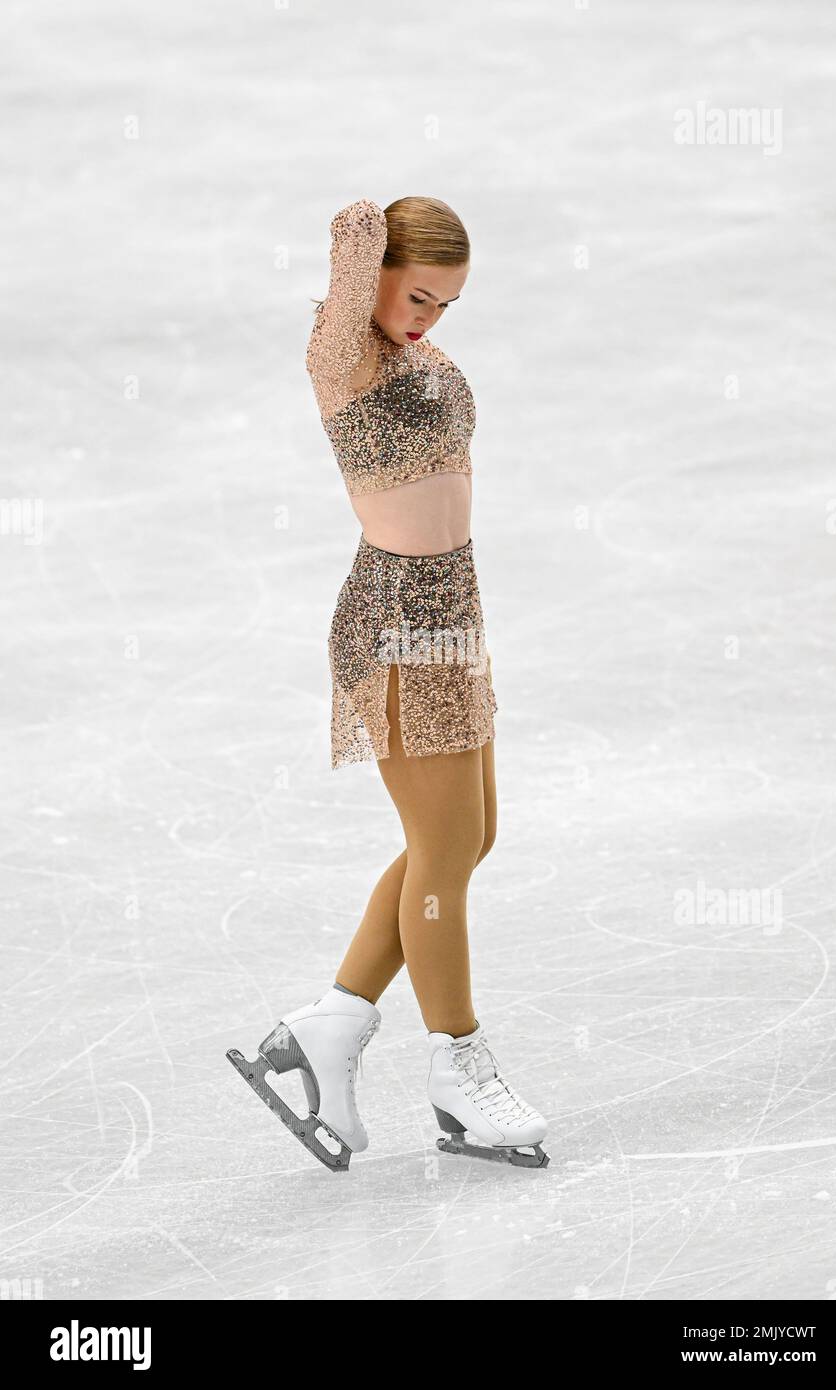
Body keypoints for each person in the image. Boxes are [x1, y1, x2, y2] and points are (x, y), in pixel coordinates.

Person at [227, 197, 549, 1170]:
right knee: (443, 848)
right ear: (370, 278)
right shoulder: (344, 356)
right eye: (415, 294)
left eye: (446, 305)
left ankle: (333, 1022)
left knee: (462, 837)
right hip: (397, 618)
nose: (427, 319)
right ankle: (456, 1063)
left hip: (452, 611)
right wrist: (375, 244)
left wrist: (408, 286)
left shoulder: (411, 354)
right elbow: (351, 230)